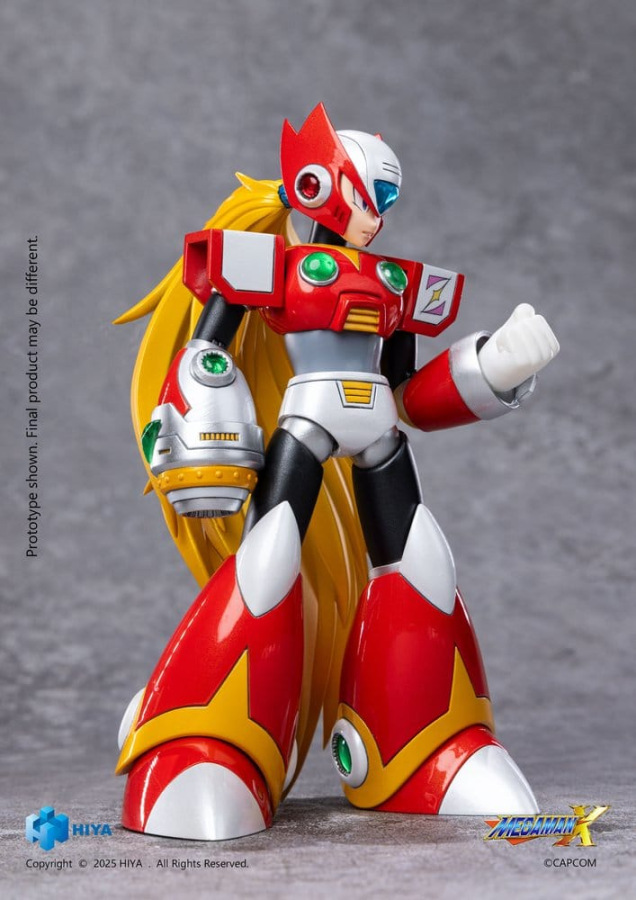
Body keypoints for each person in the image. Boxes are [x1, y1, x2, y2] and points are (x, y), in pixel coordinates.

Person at [114, 103, 559, 840]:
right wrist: (204, 418)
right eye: (364, 196)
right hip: (306, 422)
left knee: (423, 565)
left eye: (386, 200)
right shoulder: (265, 265)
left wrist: (493, 367)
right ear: (315, 186)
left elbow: (409, 394)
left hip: (379, 429)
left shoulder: (397, 283)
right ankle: (204, 734)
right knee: (267, 563)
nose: (375, 217)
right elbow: (207, 350)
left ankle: (424, 745)